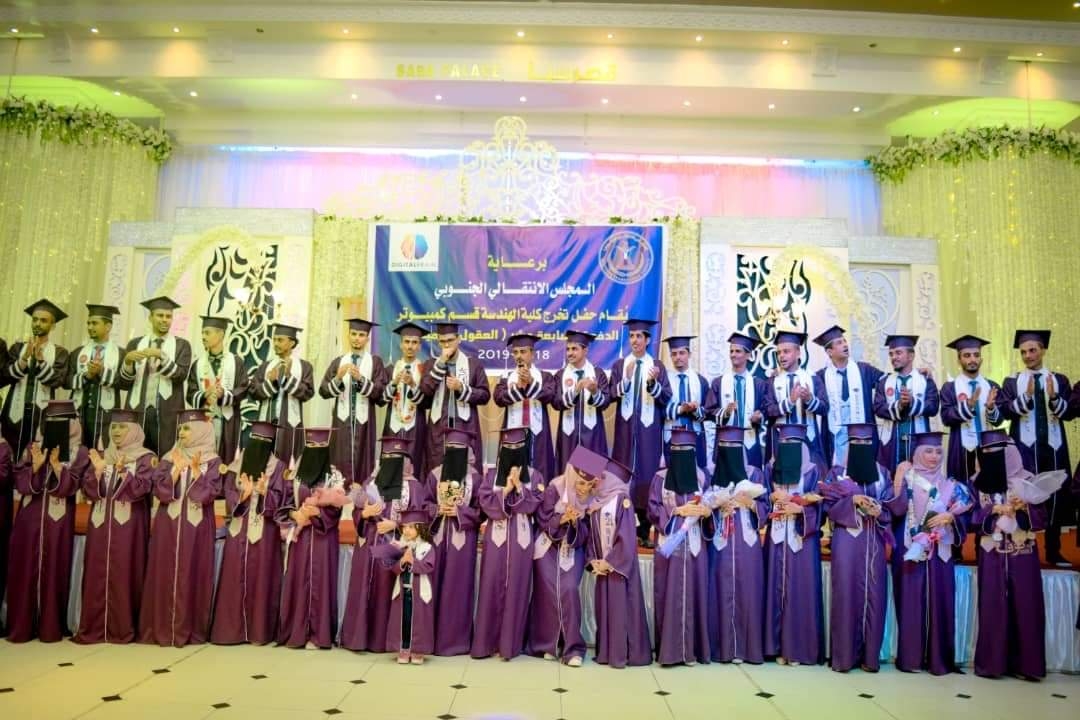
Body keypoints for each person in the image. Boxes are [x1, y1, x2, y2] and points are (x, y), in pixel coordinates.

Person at [884, 431, 972, 675]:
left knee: (940, 602)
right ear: (917, 454)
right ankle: (910, 659)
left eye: (938, 452)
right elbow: (895, 511)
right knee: (910, 602)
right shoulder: (907, 478)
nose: (934, 456)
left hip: (940, 552)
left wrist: (951, 517)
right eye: (928, 451)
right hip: (909, 548)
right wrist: (898, 480)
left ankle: (938, 660)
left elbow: (966, 517)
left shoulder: (951, 485)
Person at [139, 409, 223, 647]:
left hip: (197, 528)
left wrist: (196, 473)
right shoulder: (169, 457)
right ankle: (162, 627)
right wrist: (175, 471)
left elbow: (211, 493)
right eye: (180, 429)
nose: (182, 433)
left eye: (187, 428)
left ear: (201, 430)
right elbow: (158, 491)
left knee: (192, 572)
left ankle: (189, 629)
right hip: (168, 524)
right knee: (164, 570)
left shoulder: (213, 461)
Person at [5, 400, 86, 642]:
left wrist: (58, 468)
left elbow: (72, 486)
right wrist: (36, 467)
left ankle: (50, 626)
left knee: (55, 568)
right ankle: (21, 625)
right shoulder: (33, 448)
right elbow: (20, 482)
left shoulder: (80, 452)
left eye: (62, 421)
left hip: (58, 520)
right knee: (25, 566)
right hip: (29, 518)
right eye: (50, 421)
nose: (55, 426)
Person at [340, 435, 430, 653]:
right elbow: (357, 512)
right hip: (368, 543)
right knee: (363, 587)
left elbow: (421, 519)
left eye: (396, 457)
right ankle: (358, 638)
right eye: (387, 456)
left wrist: (396, 524)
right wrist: (364, 514)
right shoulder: (371, 483)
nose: (391, 461)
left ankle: (383, 641)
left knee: (385, 590)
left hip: (394, 545)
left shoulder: (414, 487)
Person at [971, 430, 1047, 680]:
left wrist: (1022, 509)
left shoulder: (1028, 480)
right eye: (988, 453)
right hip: (991, 552)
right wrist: (993, 510)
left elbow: (1042, 518)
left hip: (1022, 552)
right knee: (992, 605)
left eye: (998, 452)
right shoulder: (977, 482)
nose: (993, 457)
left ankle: (1028, 666)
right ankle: (992, 665)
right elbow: (971, 518)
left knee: (1026, 605)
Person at [74, 409, 154, 644]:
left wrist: (122, 474)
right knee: (96, 572)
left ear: (134, 430)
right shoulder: (102, 455)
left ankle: (123, 628)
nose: (116, 431)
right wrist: (98, 472)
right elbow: (88, 490)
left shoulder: (145, 458)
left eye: (122, 427)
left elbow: (141, 489)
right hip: (100, 525)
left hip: (129, 528)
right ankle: (95, 627)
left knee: (125, 572)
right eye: (114, 427)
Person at [996, 330, 1072, 567]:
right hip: (1024, 448)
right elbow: (1004, 411)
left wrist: (1054, 398)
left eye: (1032, 350)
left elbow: (1069, 412)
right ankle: (1024, 549)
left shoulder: (1059, 380)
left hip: (1054, 447)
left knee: (1055, 495)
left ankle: (1053, 551)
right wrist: (1026, 397)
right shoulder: (1011, 382)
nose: (1028, 356)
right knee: (1022, 497)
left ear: (1043, 350)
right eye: (1023, 352)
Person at [821, 422, 892, 673]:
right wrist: (852, 501)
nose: (861, 446)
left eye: (866, 442)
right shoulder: (837, 473)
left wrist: (879, 510)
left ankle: (870, 657)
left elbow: (891, 505)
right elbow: (828, 506)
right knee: (846, 593)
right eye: (856, 443)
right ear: (849, 445)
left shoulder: (883, 473)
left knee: (875, 594)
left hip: (874, 539)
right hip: (846, 541)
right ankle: (844, 657)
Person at [210, 421, 287, 645]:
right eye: (255, 440)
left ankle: (259, 632)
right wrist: (243, 495)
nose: (259, 445)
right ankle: (231, 631)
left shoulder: (278, 468)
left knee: (262, 577)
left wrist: (264, 494)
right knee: (234, 577)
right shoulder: (236, 466)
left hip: (264, 534)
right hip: (238, 530)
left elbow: (282, 501)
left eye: (264, 441)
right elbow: (228, 494)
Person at [528, 445, 605, 667]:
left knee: (569, 589)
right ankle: (548, 644)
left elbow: (589, 532)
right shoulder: (555, 487)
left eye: (589, 485)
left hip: (573, 547)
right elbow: (542, 517)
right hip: (547, 547)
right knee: (548, 591)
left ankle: (573, 648)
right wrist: (561, 519)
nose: (583, 489)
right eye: (580, 483)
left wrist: (575, 523)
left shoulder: (593, 499)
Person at [471, 427, 542, 661]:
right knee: (491, 585)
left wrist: (520, 487)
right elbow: (485, 503)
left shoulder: (535, 475)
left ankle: (510, 645)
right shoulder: (491, 475)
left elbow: (535, 505)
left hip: (522, 541)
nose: (513, 451)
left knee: (517, 589)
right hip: (496, 541)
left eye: (517, 448)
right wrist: (506, 491)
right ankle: (486, 644)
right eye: (508, 447)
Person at [276, 427, 348, 649]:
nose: (315, 450)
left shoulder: (334, 476)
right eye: (311, 445)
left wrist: (318, 514)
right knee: (299, 581)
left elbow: (336, 510)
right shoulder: (295, 475)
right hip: (300, 537)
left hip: (323, 538)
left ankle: (319, 634)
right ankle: (297, 631)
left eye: (320, 446)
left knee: (321, 583)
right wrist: (295, 515)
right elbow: (285, 502)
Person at [763, 423, 825, 667]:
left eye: (794, 444)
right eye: (785, 443)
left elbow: (822, 506)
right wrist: (771, 498)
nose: (789, 448)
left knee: (800, 589)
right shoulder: (770, 468)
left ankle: (798, 648)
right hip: (777, 538)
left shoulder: (812, 471)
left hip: (802, 539)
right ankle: (775, 646)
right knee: (775, 585)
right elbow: (761, 501)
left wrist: (800, 509)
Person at [705, 425, 768, 665]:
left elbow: (766, 509)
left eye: (734, 446)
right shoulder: (711, 474)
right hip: (720, 543)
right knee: (718, 589)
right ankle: (720, 649)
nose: (729, 451)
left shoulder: (754, 475)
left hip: (746, 541)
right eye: (725, 446)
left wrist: (749, 504)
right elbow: (703, 512)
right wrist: (718, 508)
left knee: (747, 590)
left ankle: (747, 649)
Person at [649, 427, 711, 666]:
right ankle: (669, 651)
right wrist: (676, 510)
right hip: (669, 542)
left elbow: (710, 508)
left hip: (695, 543)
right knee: (668, 593)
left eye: (687, 450)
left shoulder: (702, 476)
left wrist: (707, 512)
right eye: (677, 450)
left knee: (695, 593)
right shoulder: (660, 478)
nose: (682, 454)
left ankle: (692, 650)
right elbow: (653, 509)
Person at [608, 318, 672, 546]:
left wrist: (653, 383)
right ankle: (622, 529)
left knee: (646, 475)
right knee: (622, 473)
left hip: (648, 432)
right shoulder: (619, 365)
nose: (634, 341)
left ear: (647, 340)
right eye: (632, 336)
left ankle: (644, 531)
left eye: (639, 337)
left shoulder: (656, 366)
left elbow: (666, 398)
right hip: (625, 431)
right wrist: (625, 379)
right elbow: (610, 395)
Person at [586, 456, 652, 668]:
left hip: (620, 569)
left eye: (602, 477)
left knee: (622, 609)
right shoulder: (596, 502)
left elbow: (627, 537)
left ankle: (623, 653)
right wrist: (594, 560)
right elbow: (592, 535)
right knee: (604, 609)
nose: (597, 480)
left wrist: (611, 562)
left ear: (612, 479)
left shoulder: (623, 501)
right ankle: (606, 653)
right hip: (603, 568)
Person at [425, 428, 482, 656]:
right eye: (451, 448)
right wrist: (438, 510)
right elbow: (424, 504)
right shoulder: (435, 475)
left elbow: (481, 511)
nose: (455, 452)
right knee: (434, 586)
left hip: (463, 542)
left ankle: (455, 642)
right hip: (437, 538)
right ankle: (429, 640)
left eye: (459, 449)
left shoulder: (475, 478)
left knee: (457, 588)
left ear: (467, 451)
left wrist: (460, 512)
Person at [117, 296, 192, 455]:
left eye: (168, 316)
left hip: (168, 411)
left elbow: (181, 375)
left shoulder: (182, 345)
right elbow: (124, 384)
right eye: (160, 315)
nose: (165, 320)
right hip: (138, 409)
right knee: (136, 457)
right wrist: (128, 362)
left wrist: (161, 356)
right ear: (150, 317)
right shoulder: (135, 344)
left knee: (166, 457)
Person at [318, 317, 387, 487]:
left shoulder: (375, 362)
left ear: (367, 338)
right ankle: (339, 492)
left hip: (365, 423)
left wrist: (361, 379)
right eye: (354, 334)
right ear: (348, 335)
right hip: (342, 422)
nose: (357, 338)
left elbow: (380, 394)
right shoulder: (338, 362)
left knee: (363, 461)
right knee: (339, 459)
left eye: (361, 335)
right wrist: (338, 378)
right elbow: (323, 391)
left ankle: (362, 494)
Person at [1, 299, 70, 457]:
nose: (38, 323)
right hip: (13, 413)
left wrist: (41, 361)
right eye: (35, 319)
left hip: (42, 415)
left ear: (53, 325)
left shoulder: (60, 352)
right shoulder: (18, 348)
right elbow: (6, 376)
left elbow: (57, 380)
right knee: (8, 457)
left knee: (35, 458)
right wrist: (24, 359)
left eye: (43, 320)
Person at [420, 321, 490, 476]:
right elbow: (425, 390)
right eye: (442, 341)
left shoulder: (473, 364)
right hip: (438, 428)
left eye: (450, 340)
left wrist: (461, 388)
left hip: (465, 426)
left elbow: (485, 395)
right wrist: (441, 363)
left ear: (459, 339)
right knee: (437, 469)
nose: (447, 345)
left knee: (465, 471)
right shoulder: (431, 364)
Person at [812, 325, 883, 468]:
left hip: (861, 434)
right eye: (839, 343)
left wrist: (915, 372)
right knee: (838, 473)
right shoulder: (821, 376)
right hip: (836, 436)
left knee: (863, 473)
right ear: (829, 352)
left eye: (844, 341)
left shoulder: (864, 370)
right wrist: (778, 375)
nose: (845, 345)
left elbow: (890, 382)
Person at [375, 509, 438, 665]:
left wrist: (412, 561)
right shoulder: (399, 546)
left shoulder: (427, 548)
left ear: (420, 528)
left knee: (419, 621)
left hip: (419, 592)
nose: (407, 531)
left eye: (411, 527)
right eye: (404, 527)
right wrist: (403, 561)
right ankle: (403, 649)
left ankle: (417, 650)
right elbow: (393, 568)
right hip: (403, 590)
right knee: (404, 620)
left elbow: (428, 566)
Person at [939, 335, 1003, 487]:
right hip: (961, 448)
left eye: (976, 355)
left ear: (981, 359)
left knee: (991, 491)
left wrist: (991, 408)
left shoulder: (992, 386)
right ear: (959, 360)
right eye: (967, 355)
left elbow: (999, 421)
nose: (972, 359)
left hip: (989, 447)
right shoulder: (950, 388)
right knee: (962, 490)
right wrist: (968, 405)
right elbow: (946, 418)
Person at [494, 332, 557, 481]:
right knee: (513, 473)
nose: (518, 356)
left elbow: (550, 396)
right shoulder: (506, 377)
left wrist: (531, 383)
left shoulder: (545, 377)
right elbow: (498, 398)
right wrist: (518, 389)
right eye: (515, 352)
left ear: (532, 353)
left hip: (538, 433)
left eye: (523, 352)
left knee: (538, 472)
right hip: (513, 433)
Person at [186, 316, 249, 465]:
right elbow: (190, 393)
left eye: (207, 333)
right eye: (202, 333)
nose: (203, 337)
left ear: (220, 334)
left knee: (225, 461)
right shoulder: (198, 364)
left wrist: (224, 394)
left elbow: (244, 388)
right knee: (202, 460)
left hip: (227, 420)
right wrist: (204, 394)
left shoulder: (236, 362)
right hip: (204, 420)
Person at [873, 334, 940, 473]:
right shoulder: (884, 382)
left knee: (918, 479)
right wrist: (899, 405)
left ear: (911, 356)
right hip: (892, 442)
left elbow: (933, 407)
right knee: (891, 478)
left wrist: (912, 402)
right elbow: (878, 408)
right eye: (891, 354)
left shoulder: (925, 380)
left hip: (917, 440)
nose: (893, 357)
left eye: (898, 353)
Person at [251, 322, 315, 463]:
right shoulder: (265, 366)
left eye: (280, 340)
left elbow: (308, 393)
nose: (275, 343)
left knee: (286, 463)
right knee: (262, 463)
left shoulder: (304, 367)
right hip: (266, 422)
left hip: (289, 424)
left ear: (292, 343)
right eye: (274, 339)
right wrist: (270, 382)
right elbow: (253, 392)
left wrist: (288, 378)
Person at [704, 332, 768, 470]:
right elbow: (708, 412)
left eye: (738, 351)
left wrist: (759, 417)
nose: (733, 354)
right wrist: (725, 412)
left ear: (748, 355)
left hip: (750, 443)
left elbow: (766, 410)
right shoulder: (718, 383)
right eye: (731, 351)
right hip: (725, 443)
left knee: (751, 479)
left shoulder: (759, 384)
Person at [764, 330, 828, 466]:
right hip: (781, 441)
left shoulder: (812, 378)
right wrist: (790, 401)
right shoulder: (772, 381)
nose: (781, 356)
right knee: (784, 477)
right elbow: (769, 410)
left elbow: (825, 409)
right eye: (778, 353)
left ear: (798, 353)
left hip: (809, 440)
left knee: (809, 476)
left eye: (786, 351)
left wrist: (809, 399)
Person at [68, 304, 124, 450]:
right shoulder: (78, 353)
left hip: (106, 414)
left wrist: (101, 372)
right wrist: (87, 375)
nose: (90, 327)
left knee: (101, 452)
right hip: (80, 411)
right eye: (88, 323)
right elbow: (66, 381)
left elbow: (125, 383)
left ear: (108, 326)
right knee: (77, 451)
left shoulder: (120, 353)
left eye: (95, 323)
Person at [551, 330, 610, 469]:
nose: (570, 353)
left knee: (590, 474)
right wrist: (575, 391)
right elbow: (556, 403)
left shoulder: (597, 374)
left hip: (592, 436)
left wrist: (595, 392)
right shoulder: (560, 375)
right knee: (569, 474)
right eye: (568, 349)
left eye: (574, 349)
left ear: (585, 350)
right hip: (568, 437)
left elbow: (606, 402)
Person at [382, 321, 431, 479]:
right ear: (401, 344)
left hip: (416, 425)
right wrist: (394, 383)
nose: (410, 346)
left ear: (420, 346)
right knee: (392, 461)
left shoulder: (424, 370)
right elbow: (381, 399)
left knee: (414, 463)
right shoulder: (390, 369)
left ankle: (413, 493)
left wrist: (413, 385)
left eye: (414, 342)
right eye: (407, 342)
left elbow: (427, 402)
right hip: (393, 424)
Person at [662, 336, 709, 470]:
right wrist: (680, 409)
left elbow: (709, 411)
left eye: (682, 353)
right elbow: (658, 410)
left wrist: (695, 409)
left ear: (689, 354)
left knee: (697, 476)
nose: (678, 357)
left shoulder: (701, 381)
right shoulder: (664, 381)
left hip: (696, 437)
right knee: (674, 476)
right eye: (674, 354)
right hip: (671, 438)